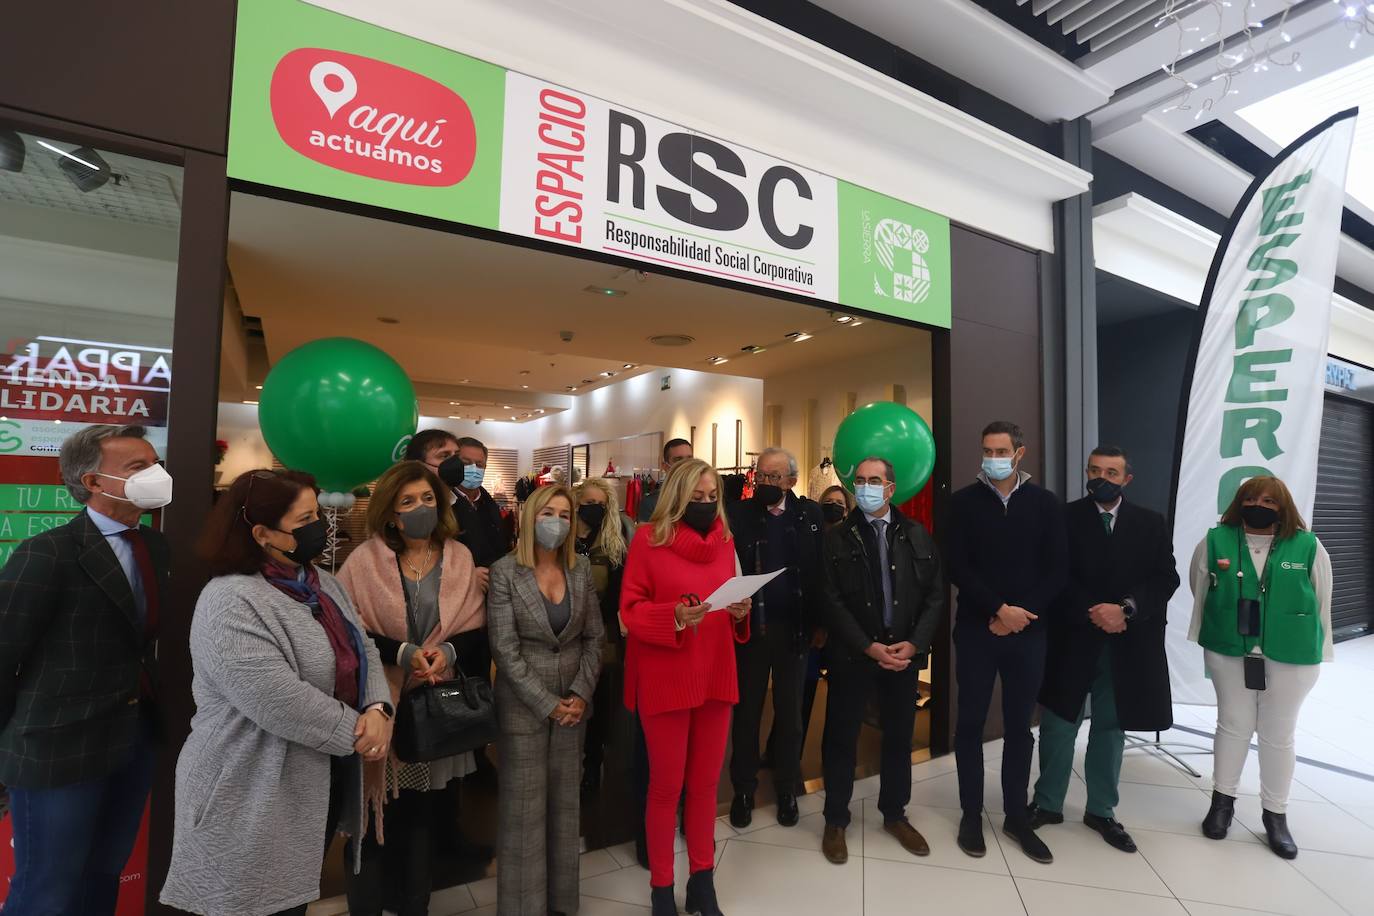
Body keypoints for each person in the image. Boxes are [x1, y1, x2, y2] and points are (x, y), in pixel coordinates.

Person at [160, 469, 393, 916]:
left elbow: (361, 644)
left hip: (312, 779)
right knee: (248, 902)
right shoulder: (230, 599)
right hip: (247, 784)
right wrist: (361, 732)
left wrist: (379, 707)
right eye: (305, 519)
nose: (320, 526)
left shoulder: (321, 583)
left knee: (289, 898)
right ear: (262, 533)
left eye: (319, 513)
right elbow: (275, 698)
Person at [0, 425, 171, 915]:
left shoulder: (156, 549)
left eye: (154, 462)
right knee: (46, 888)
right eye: (137, 467)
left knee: (103, 874)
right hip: (56, 747)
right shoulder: (47, 553)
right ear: (94, 482)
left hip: (133, 739)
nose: (156, 474)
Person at [337, 461, 487, 915]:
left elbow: (474, 624)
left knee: (423, 815)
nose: (420, 507)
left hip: (436, 708)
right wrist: (401, 653)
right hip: (382, 704)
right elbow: (349, 629)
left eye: (427, 499)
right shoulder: (365, 560)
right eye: (407, 502)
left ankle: (413, 903)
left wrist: (450, 653)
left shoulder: (458, 556)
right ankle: (368, 905)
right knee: (373, 815)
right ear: (390, 513)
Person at [1029, 446, 1180, 854]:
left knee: (1111, 727)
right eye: (1095, 470)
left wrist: (1125, 610)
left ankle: (1101, 810)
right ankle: (1047, 803)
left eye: (1111, 472)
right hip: (1074, 636)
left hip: (1126, 643)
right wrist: (1092, 611)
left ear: (1126, 478)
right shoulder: (1064, 517)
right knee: (1060, 723)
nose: (1101, 478)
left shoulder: (1149, 523)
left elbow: (1166, 578)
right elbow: (1053, 573)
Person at [621, 458, 751, 916]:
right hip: (665, 677)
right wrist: (673, 615)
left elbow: (730, 598)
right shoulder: (646, 540)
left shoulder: (725, 542)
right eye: (695, 497)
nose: (704, 504)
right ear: (676, 496)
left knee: (704, 786)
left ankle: (702, 881)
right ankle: (661, 888)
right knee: (665, 787)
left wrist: (740, 611)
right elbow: (630, 611)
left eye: (711, 497)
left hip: (715, 673)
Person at [1188, 475, 1333, 860]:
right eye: (1252, 498)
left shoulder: (1307, 545)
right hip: (1229, 649)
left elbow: (1322, 600)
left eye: (1270, 501)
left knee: (1278, 734)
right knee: (1232, 724)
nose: (1260, 505)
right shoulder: (1216, 540)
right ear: (1240, 502)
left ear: (1282, 506)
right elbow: (1199, 586)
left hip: (1291, 654)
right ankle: (1222, 803)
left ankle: (1275, 814)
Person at [946, 421, 1068, 864]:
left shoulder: (1044, 504)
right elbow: (957, 566)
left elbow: (1058, 570)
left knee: (1020, 727)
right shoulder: (963, 503)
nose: (992, 457)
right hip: (978, 630)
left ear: (1020, 453)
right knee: (970, 725)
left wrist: (1018, 616)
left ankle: (1016, 815)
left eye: (1001, 450)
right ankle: (970, 814)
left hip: (1028, 633)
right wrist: (998, 609)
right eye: (986, 449)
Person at [818, 457, 945, 865]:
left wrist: (914, 644)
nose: (866, 487)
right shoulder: (835, 537)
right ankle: (835, 819)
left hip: (902, 656)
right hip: (853, 656)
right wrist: (867, 646)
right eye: (860, 481)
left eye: (875, 481)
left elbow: (934, 597)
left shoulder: (916, 535)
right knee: (840, 737)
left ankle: (895, 813)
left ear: (891, 488)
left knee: (898, 738)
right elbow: (830, 601)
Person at [488, 485, 604, 916]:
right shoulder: (504, 572)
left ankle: (562, 905)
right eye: (547, 513)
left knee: (565, 808)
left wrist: (578, 694)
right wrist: (547, 702)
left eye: (564, 514)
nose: (556, 521)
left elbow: (595, 637)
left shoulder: (581, 570)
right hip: (523, 708)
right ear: (529, 518)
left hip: (574, 708)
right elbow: (504, 647)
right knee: (523, 813)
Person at [725, 447, 824, 830]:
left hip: (795, 630)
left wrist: (820, 625)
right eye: (761, 476)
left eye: (774, 477)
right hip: (750, 630)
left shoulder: (809, 516)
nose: (766, 483)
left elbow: (818, 574)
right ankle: (744, 790)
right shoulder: (738, 514)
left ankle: (786, 788)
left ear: (791, 481)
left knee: (790, 716)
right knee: (746, 713)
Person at [573, 478, 637, 792]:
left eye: (601, 504)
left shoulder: (614, 544)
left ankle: (592, 766)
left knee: (601, 706)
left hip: (603, 639)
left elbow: (619, 593)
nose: (595, 509)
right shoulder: (562, 537)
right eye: (589, 502)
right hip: (566, 638)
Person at [635, 438, 693, 523]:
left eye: (689, 459)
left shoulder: (706, 497)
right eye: (678, 460)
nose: (685, 464)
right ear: (665, 467)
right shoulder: (652, 504)